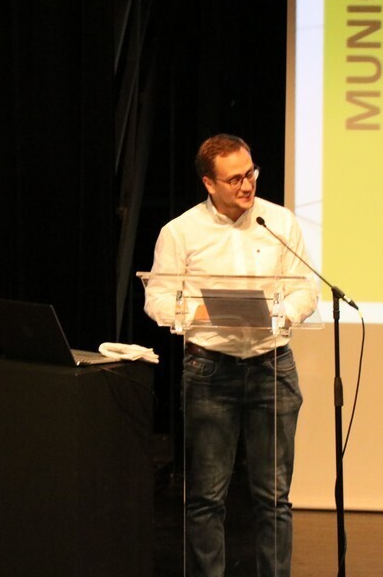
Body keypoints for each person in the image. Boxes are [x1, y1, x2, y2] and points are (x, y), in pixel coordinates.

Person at [143, 134, 319, 576]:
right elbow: (157, 298)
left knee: (274, 498)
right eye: (235, 178)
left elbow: (305, 289)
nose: (247, 184)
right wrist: (206, 312)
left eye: (251, 173)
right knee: (206, 498)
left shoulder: (278, 222)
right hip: (210, 369)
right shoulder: (180, 232)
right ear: (209, 183)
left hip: (271, 366)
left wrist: (281, 314)